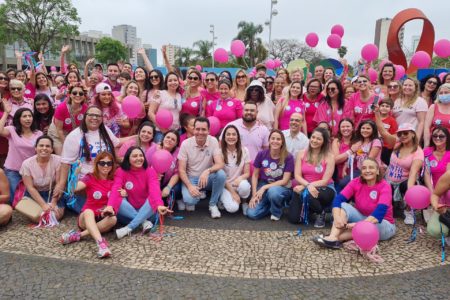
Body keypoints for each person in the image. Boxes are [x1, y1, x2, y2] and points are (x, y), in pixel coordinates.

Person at [312, 158, 396, 249]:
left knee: (365, 228)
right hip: (363, 218)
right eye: (364, 168)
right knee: (343, 205)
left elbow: (379, 213)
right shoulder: (356, 182)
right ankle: (332, 237)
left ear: (377, 171)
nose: (367, 171)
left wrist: (358, 225)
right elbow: (338, 200)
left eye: (371, 168)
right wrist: (336, 218)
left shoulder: (384, 185)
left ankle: (333, 239)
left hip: (384, 224)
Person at [53, 106, 121, 213]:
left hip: (106, 177)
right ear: (85, 117)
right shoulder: (74, 136)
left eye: (98, 115)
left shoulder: (105, 131)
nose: (94, 118)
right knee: (95, 210)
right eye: (91, 115)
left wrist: (136, 137)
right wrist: (61, 184)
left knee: (115, 203)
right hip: (86, 180)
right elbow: (66, 162)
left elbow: (117, 143)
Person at [60, 151, 117, 258]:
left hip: (102, 217)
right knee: (88, 211)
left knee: (113, 219)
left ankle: (78, 235)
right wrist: (76, 173)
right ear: (96, 164)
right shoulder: (90, 177)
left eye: (109, 163)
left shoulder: (114, 180)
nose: (106, 166)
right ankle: (101, 245)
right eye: (102, 163)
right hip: (86, 217)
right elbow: (73, 189)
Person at [106, 147, 172, 239]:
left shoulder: (150, 171)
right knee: (112, 194)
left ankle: (129, 228)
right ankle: (143, 222)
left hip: (148, 212)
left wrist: (159, 204)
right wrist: (109, 206)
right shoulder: (121, 171)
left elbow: (154, 189)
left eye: (141, 155)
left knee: (152, 197)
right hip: (127, 213)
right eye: (134, 156)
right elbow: (116, 188)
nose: (139, 158)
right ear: (128, 158)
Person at [177, 117, 226, 218]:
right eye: (197, 129)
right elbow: (181, 170)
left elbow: (220, 163)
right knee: (190, 201)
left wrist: (207, 171)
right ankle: (194, 193)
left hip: (206, 178)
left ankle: (212, 204)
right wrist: (190, 186)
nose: (200, 132)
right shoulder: (185, 144)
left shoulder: (213, 141)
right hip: (191, 178)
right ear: (193, 129)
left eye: (203, 129)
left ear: (209, 131)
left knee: (221, 174)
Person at [288, 127, 335, 227]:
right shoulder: (301, 153)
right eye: (313, 137)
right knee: (294, 219)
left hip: (325, 188)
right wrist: (307, 186)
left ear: (324, 142)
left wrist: (307, 186)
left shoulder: (329, 156)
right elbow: (297, 175)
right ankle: (310, 209)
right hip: (305, 186)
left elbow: (325, 180)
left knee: (307, 193)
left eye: (318, 139)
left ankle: (320, 212)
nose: (314, 140)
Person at [247, 129, 294, 220]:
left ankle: (276, 212)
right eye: (273, 138)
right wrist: (254, 194)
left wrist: (264, 188)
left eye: (278, 139)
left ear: (282, 142)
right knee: (251, 213)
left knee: (273, 192)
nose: (275, 141)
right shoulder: (261, 154)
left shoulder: (288, 157)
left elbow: (285, 181)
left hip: (281, 187)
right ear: (269, 140)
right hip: (264, 183)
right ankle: (271, 206)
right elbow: (255, 175)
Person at [0, 104, 42, 203]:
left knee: (30, 197)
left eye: (30, 116)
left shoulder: (39, 133)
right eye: (24, 116)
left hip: (31, 171)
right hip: (13, 171)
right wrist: (6, 112)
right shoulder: (12, 130)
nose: (28, 119)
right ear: (18, 119)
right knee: (15, 199)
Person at [384, 123, 424, 224]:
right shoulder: (397, 144)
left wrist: (410, 193)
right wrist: (377, 114)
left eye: (406, 133)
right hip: (389, 180)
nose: (402, 136)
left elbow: (413, 173)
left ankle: (409, 210)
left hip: (405, 181)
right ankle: (397, 204)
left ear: (413, 134)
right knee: (388, 210)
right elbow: (383, 133)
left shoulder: (418, 152)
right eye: (400, 134)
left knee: (408, 186)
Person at [19, 136, 64, 222]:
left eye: (47, 146)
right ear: (35, 148)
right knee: (39, 217)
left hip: (53, 193)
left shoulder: (58, 160)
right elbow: (30, 187)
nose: (44, 148)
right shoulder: (27, 164)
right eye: (41, 145)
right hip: (35, 194)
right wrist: (43, 205)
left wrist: (53, 202)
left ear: (51, 149)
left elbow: (59, 183)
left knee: (55, 216)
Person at [338, 120, 382, 190]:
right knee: (343, 183)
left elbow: (370, 160)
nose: (365, 130)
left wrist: (361, 175)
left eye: (368, 128)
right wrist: (344, 168)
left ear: (373, 130)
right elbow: (352, 155)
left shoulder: (376, 142)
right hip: (359, 170)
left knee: (347, 184)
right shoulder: (360, 142)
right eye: (363, 128)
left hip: (371, 170)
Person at [48, 83, 88, 154]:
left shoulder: (85, 108)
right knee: (63, 155)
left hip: (73, 132)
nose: (78, 95)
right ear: (69, 95)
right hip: (57, 134)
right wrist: (67, 145)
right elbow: (59, 130)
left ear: (84, 96)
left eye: (81, 93)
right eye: (74, 93)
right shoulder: (61, 108)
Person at [220, 125, 251, 214]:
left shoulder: (244, 150)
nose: (231, 137)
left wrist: (239, 179)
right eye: (228, 134)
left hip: (238, 183)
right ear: (224, 137)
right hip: (225, 185)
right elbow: (221, 177)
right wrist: (233, 193)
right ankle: (221, 199)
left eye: (234, 134)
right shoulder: (219, 152)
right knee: (233, 208)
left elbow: (247, 173)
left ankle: (244, 202)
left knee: (245, 186)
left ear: (238, 137)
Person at [145, 130, 181, 206]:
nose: (169, 140)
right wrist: (153, 175)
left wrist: (168, 187)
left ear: (176, 144)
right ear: (163, 138)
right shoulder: (153, 149)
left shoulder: (178, 153)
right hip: (152, 180)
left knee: (176, 189)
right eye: (168, 137)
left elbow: (177, 173)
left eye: (173, 139)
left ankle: (166, 202)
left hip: (166, 182)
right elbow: (144, 168)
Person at [148, 72, 182, 143]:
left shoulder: (179, 95)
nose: (173, 82)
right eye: (170, 80)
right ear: (166, 83)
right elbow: (150, 113)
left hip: (177, 131)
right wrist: (162, 128)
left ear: (178, 82)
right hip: (161, 132)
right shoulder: (159, 93)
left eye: (175, 80)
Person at [332, 119, 355, 187]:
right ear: (339, 129)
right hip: (340, 176)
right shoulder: (336, 141)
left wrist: (343, 157)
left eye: (348, 126)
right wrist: (350, 151)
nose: (345, 129)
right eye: (343, 127)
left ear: (352, 128)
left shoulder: (358, 140)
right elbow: (336, 160)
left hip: (355, 174)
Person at [427, 169, 450, 239]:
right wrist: (436, 205)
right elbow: (435, 195)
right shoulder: (449, 175)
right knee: (435, 229)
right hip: (447, 210)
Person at [377, 98, 398, 165]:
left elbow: (394, 134)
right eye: (382, 106)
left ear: (391, 109)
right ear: (379, 107)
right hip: (376, 145)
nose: (384, 108)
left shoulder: (392, 120)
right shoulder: (375, 118)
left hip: (386, 147)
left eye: (387, 106)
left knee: (385, 164)